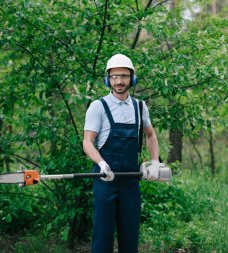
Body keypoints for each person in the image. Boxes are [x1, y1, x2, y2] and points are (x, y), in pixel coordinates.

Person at [83, 53, 162, 253]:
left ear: (132, 78)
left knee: (130, 237)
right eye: (114, 76)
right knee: (102, 237)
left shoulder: (140, 107)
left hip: (130, 182)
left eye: (124, 76)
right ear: (108, 79)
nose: (119, 81)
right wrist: (101, 163)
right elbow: (87, 142)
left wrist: (155, 162)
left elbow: (150, 135)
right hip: (105, 180)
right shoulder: (97, 107)